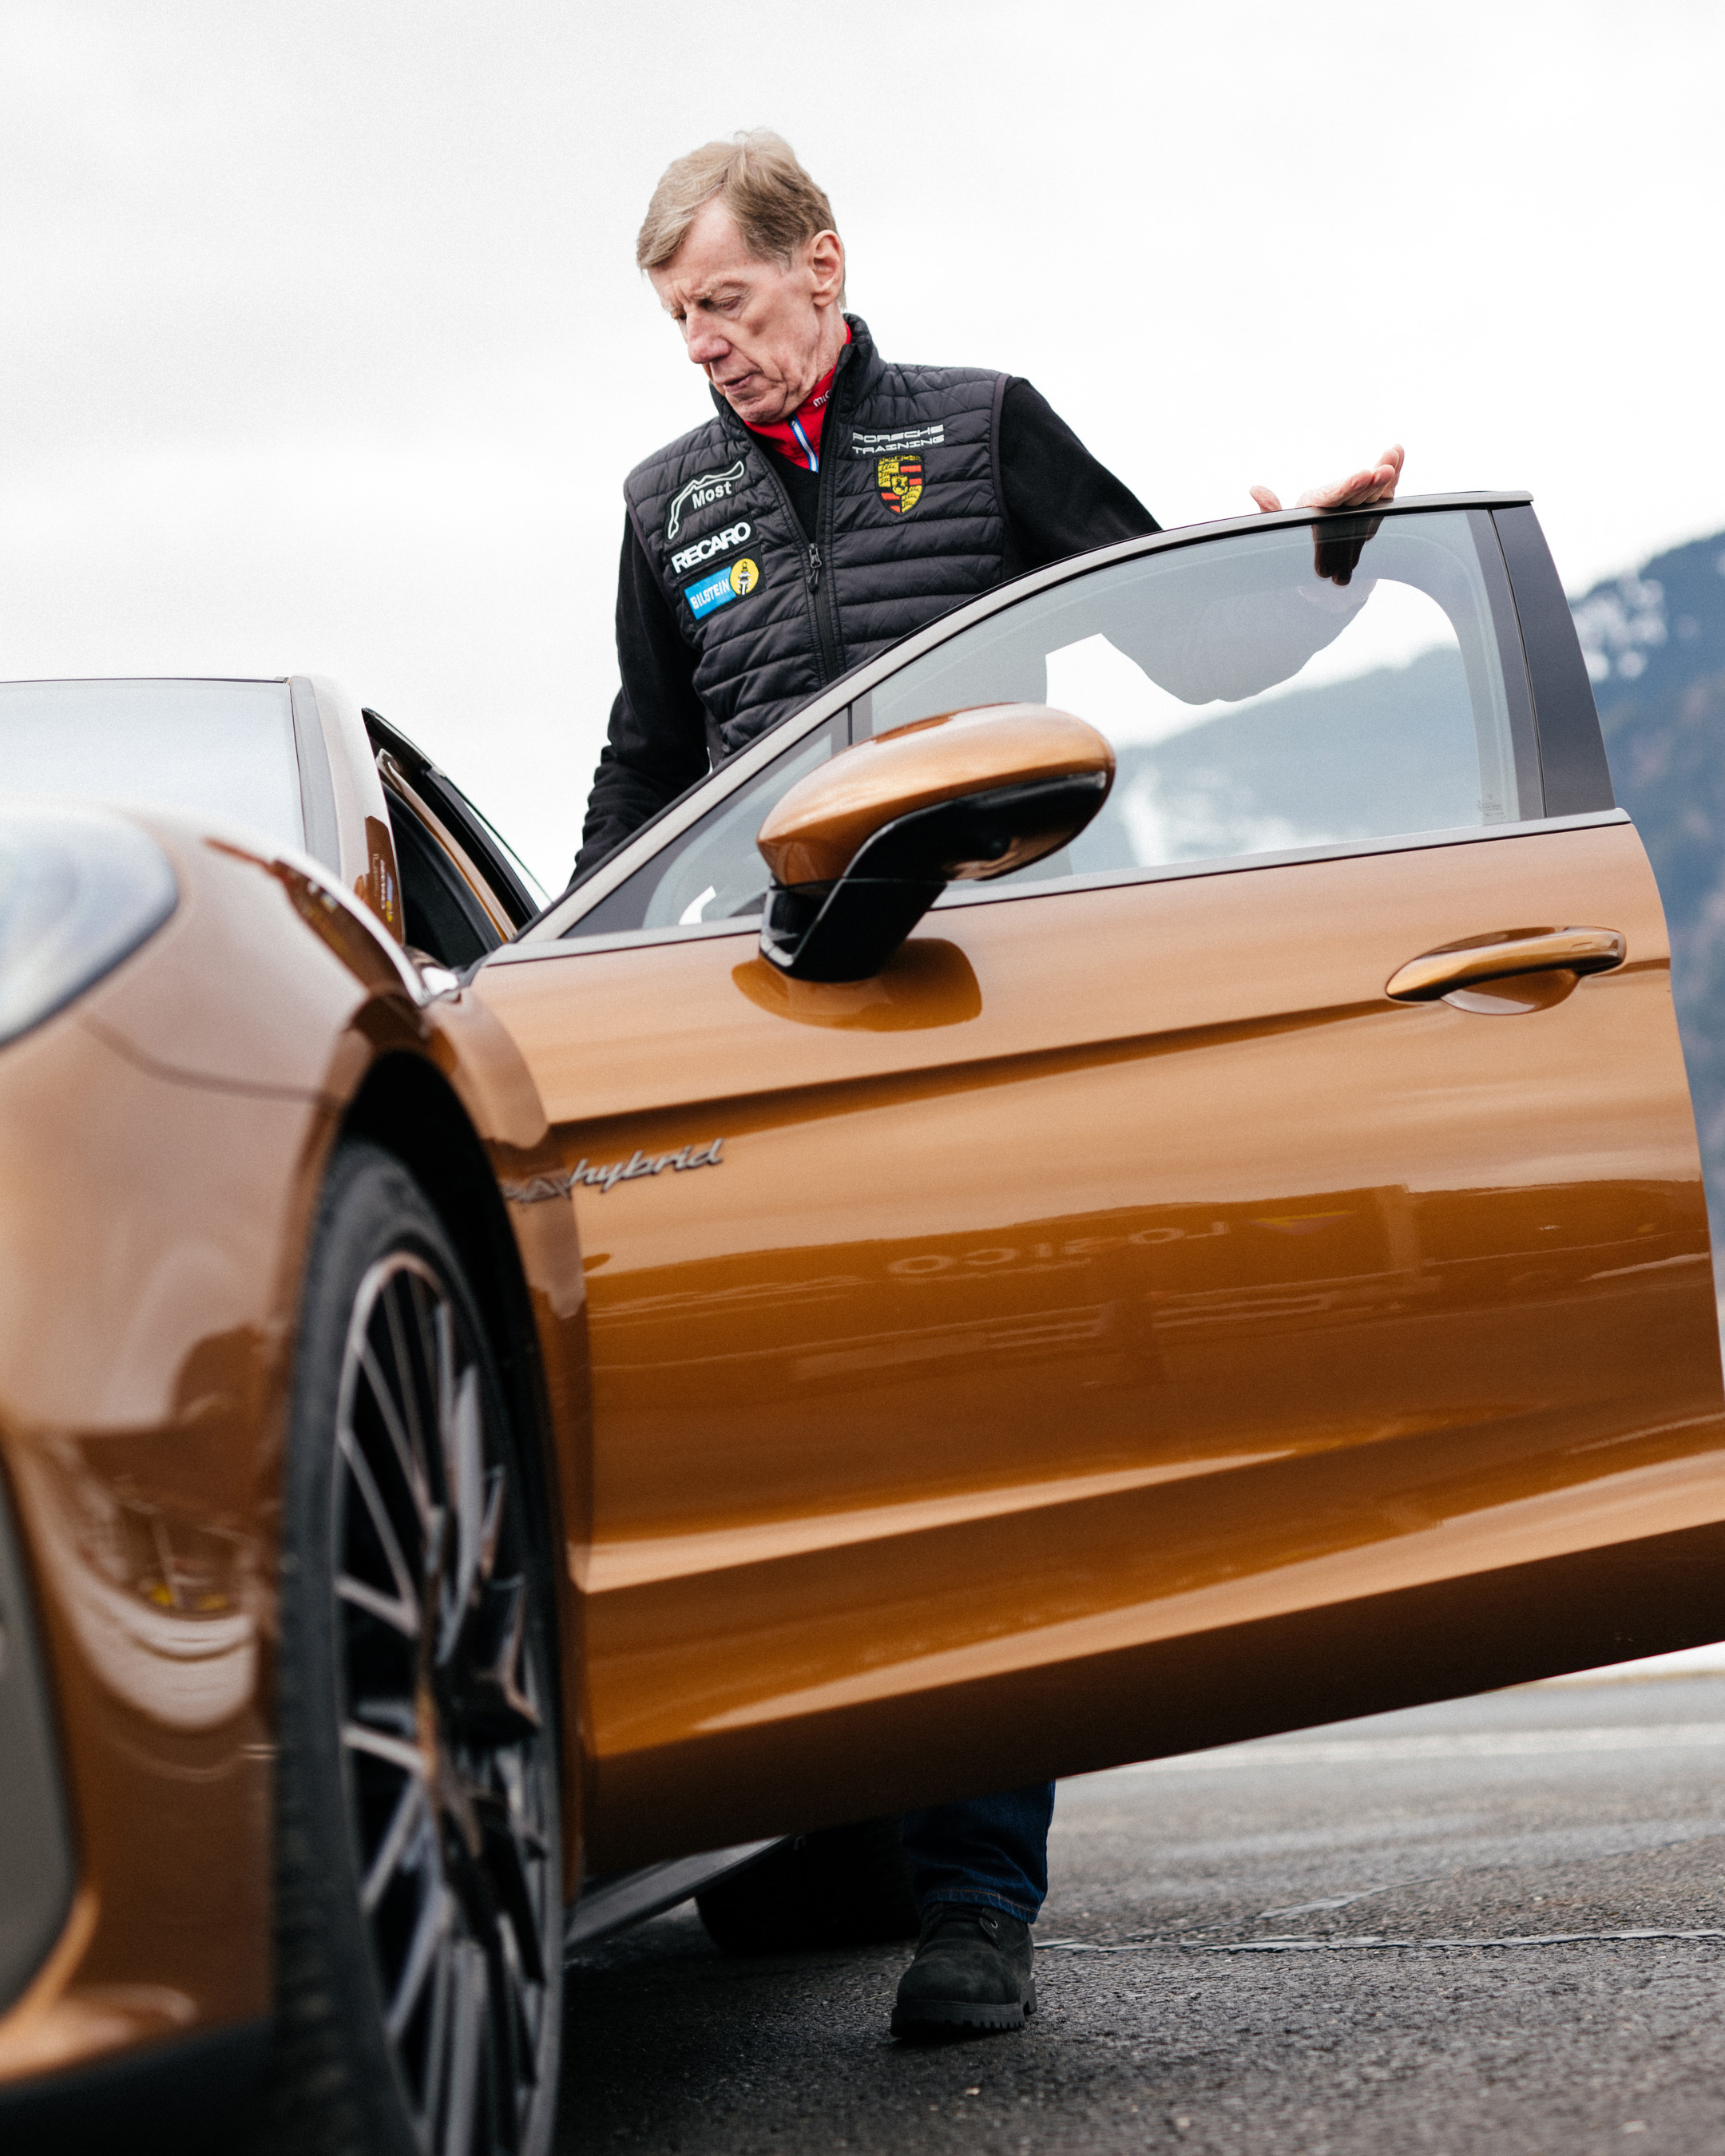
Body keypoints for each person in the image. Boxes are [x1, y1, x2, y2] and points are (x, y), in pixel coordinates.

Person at [580, 129, 1402, 2038]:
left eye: (723, 301)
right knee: (807, 1435)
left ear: (820, 268)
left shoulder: (975, 426)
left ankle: (979, 1908)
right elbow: (646, 768)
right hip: (778, 1026)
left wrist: (1323, 561)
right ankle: (826, 1829)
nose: (704, 346)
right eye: (678, 319)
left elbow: (1187, 640)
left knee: (986, 1435)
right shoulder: (668, 507)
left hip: (993, 1007)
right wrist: (564, 966)